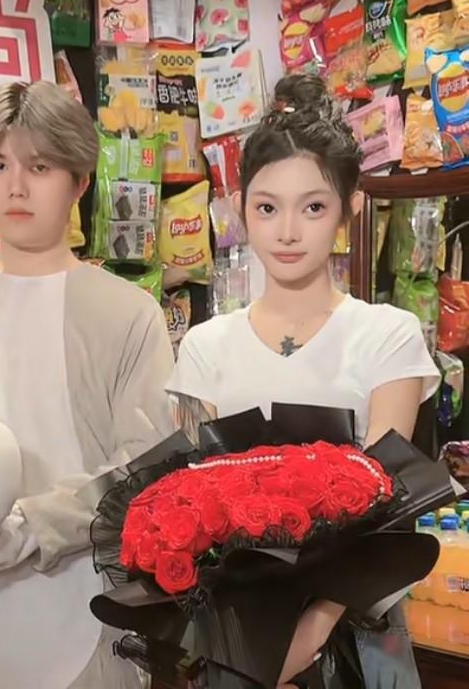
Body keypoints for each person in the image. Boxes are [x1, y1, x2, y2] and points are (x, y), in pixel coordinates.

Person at [166, 74, 440, 688]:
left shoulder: (387, 335)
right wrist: (243, 646)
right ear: (241, 209)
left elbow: (386, 503)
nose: (287, 231)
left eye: (313, 206)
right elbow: (189, 501)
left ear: (349, 209)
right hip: (235, 630)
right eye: (267, 207)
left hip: (354, 625)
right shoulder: (206, 346)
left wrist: (308, 634)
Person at [0, 80, 175, 689]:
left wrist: (28, 528)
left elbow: (146, 470)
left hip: (86, 621)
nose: (16, 187)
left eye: (40, 166)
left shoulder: (128, 315)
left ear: (79, 182)